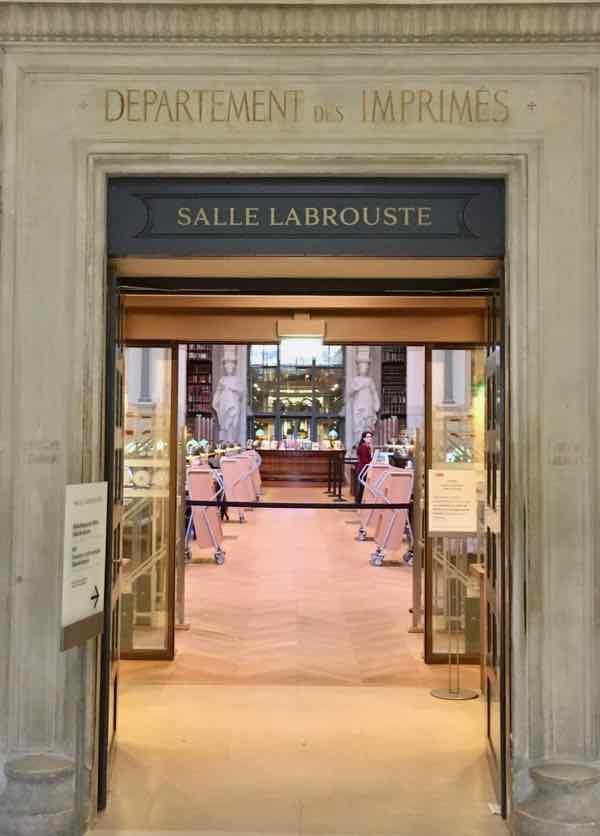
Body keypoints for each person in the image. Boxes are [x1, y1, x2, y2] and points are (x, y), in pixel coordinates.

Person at [355, 430, 374, 504]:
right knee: (361, 487)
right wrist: (371, 452)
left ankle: (359, 503)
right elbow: (366, 460)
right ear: (364, 438)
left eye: (370, 437)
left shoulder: (366, 447)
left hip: (364, 469)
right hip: (363, 469)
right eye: (368, 437)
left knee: (362, 487)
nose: (370, 438)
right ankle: (358, 503)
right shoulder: (363, 447)